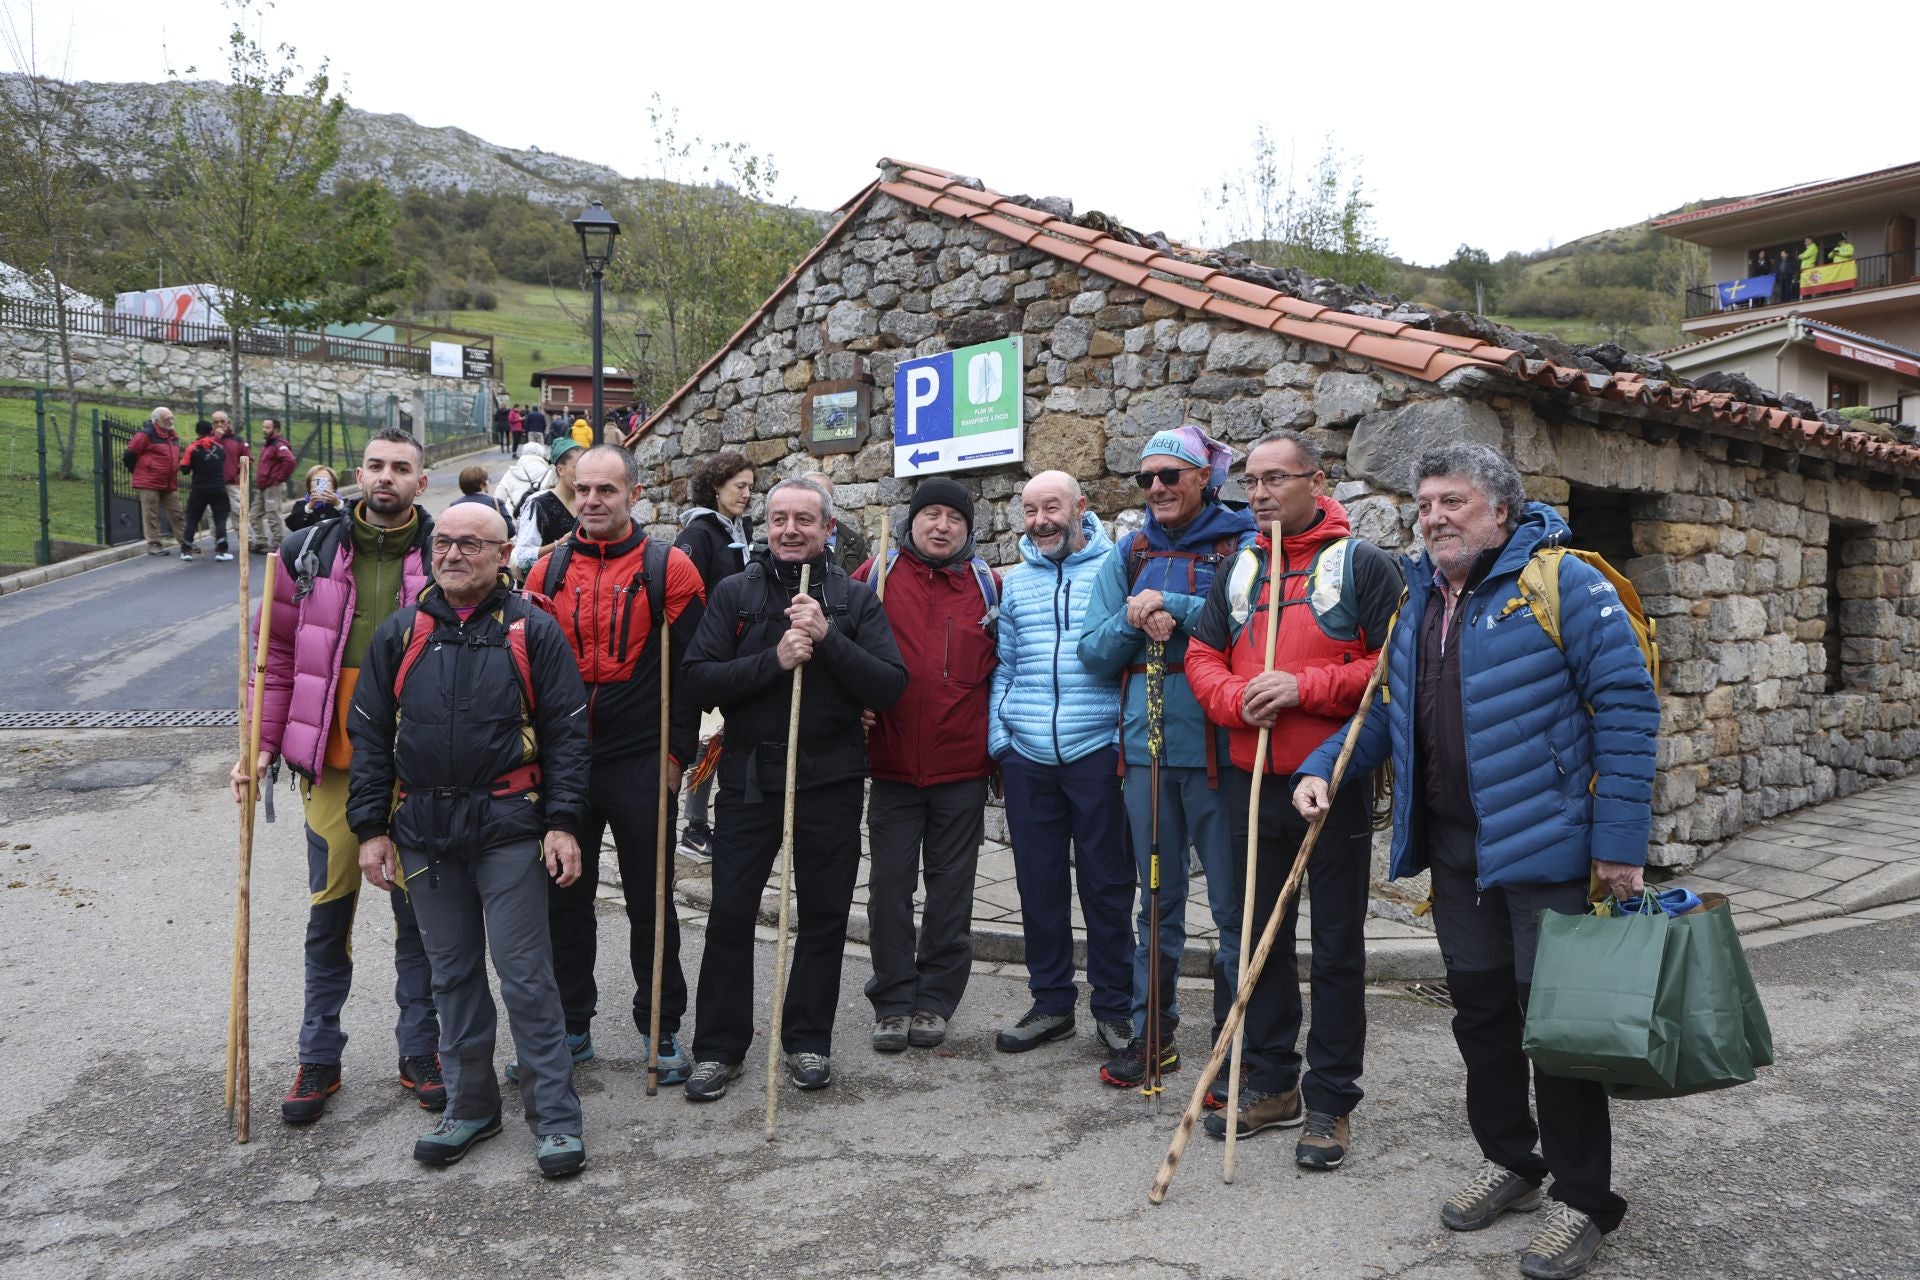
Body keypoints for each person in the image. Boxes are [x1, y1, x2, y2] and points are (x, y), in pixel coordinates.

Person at [1293, 441, 1658, 1280]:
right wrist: (1322, 769)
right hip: (1458, 854)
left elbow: (1628, 710)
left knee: (1558, 1034)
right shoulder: (1420, 594)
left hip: (1550, 852)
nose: (1434, 518)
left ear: (1501, 509)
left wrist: (1618, 848)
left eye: (1452, 501)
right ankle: (1513, 1162)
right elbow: (1387, 709)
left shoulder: (1565, 583)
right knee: (1482, 1020)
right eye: (1425, 505)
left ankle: (1582, 1200)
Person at [346, 500, 593, 1178]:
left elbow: (570, 735)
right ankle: (471, 1105)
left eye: (471, 545)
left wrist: (563, 823)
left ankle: (556, 1120)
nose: (453, 554)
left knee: (527, 979)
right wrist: (371, 829)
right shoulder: (401, 634)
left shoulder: (532, 633)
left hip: (510, 827)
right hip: (424, 833)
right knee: (451, 976)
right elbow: (368, 736)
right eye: (444, 542)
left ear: (504, 552)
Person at [1184, 430, 1402, 1169]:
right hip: (1252, 779)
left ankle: (1332, 1101)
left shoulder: (1363, 564)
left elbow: (1388, 668)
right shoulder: (1241, 566)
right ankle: (1273, 1085)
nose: (1261, 494)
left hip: (1329, 783)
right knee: (1255, 940)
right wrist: (1234, 699)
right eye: (1251, 482)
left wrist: (1304, 686)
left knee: (1337, 949)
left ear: (1317, 480)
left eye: (1276, 479)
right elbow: (1202, 654)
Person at [230, 427, 443, 1127]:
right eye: (377, 466)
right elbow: (277, 659)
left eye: (401, 469)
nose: (387, 478)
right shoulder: (306, 553)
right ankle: (318, 1057)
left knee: (419, 920)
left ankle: (421, 1053)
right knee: (330, 915)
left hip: (420, 772)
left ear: (422, 482)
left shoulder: (448, 554)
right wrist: (259, 747)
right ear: (360, 473)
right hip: (332, 771)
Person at [680, 479, 907, 1098]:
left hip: (830, 779)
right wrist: (774, 660)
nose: (789, 530)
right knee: (729, 912)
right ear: (766, 526)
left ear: (827, 528)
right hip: (751, 779)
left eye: (804, 519)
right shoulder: (735, 593)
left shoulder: (854, 598)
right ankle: (719, 1048)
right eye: (779, 518)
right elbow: (698, 679)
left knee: (826, 915)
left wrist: (829, 640)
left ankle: (807, 1040)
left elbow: (888, 686)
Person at [1078, 425, 1256, 1095]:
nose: (1156, 488)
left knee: (1235, 907)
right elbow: (1093, 651)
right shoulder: (1129, 552)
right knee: (1156, 904)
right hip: (1146, 755)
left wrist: (1172, 608)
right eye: (1146, 478)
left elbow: (1247, 631)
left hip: (1223, 755)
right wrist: (1134, 619)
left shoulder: (1242, 545)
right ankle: (1154, 1035)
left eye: (1170, 476)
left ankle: (1234, 1046)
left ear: (1203, 478)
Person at [521, 445, 707, 1086]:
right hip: (563, 761)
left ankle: (660, 1028)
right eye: (582, 490)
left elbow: (689, 678)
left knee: (649, 901)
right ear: (569, 493)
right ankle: (571, 1028)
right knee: (562, 899)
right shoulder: (545, 572)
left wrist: (675, 755)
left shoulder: (671, 569)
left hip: (640, 758)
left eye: (607, 490)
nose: (593, 501)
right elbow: (526, 674)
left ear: (633, 493)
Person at [851, 477, 999, 1052]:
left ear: (967, 529)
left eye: (953, 518)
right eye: (931, 515)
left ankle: (935, 998)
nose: (941, 526)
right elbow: (842, 653)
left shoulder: (987, 587)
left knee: (952, 889)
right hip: (889, 766)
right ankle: (892, 998)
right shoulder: (877, 580)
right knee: (888, 886)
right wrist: (850, 710)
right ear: (911, 522)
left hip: (961, 768)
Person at [989, 470, 1134, 1056]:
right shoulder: (1015, 583)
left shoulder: (1117, 569)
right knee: (1037, 884)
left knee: (1107, 885)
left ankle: (1115, 1008)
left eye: (1052, 507)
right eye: (1029, 510)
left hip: (1097, 751)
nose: (1041, 520)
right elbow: (1005, 663)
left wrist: (1123, 740)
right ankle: (1051, 1003)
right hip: (1027, 756)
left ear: (1080, 507)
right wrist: (1001, 737)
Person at [673, 450, 756, 861]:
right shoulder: (699, 534)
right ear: (716, 487)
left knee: (727, 739)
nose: (746, 494)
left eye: (750, 488)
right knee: (706, 742)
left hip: (738, 653)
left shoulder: (741, 530)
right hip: (708, 654)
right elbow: (686, 599)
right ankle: (694, 826)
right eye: (739, 486)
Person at [508, 438, 582, 579]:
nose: (584, 474)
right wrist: (559, 543)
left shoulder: (587, 502)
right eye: (577, 468)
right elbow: (522, 557)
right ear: (560, 469)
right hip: (545, 585)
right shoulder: (538, 504)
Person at [125, 406, 186, 555]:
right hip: (149, 481)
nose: (171, 421)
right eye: (167, 419)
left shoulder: (173, 436)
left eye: (172, 418)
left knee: (177, 512)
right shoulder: (146, 434)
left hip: (169, 481)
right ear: (157, 421)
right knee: (151, 514)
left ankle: (186, 541)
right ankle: (154, 544)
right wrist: (142, 472)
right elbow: (129, 455)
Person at [179, 419, 233, 562]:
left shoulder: (192, 448)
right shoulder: (220, 448)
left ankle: (186, 551)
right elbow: (222, 462)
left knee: (192, 519)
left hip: (199, 489)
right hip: (218, 488)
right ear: (211, 431)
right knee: (220, 519)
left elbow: (184, 469)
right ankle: (221, 551)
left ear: (197, 432)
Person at [807, 471, 870, 575]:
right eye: (811, 496)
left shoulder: (854, 542)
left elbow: (862, 583)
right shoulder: (789, 538)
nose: (818, 503)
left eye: (825, 497)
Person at [249, 418, 297, 553]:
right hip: (263, 486)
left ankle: (277, 543)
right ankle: (260, 540)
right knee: (254, 515)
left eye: (267, 428)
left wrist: (279, 478)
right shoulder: (268, 444)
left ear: (276, 429)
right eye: (264, 427)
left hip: (272, 486)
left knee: (272, 515)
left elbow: (290, 461)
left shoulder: (278, 444)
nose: (264, 430)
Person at [494, 441, 552, 518]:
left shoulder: (510, 473)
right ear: (542, 454)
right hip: (542, 521)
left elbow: (498, 500)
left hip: (516, 520)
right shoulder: (549, 474)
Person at [214, 411, 251, 527]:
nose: (219, 424)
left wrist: (239, 473)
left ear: (228, 423)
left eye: (222, 421)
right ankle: (218, 542)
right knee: (214, 514)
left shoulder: (237, 440)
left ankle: (247, 540)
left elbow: (248, 459)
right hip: (214, 484)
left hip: (232, 483)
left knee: (239, 512)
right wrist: (217, 439)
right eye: (216, 422)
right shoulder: (209, 440)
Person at [286, 465, 346, 532]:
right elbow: (293, 526)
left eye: (326, 481)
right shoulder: (301, 505)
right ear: (309, 485)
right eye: (316, 480)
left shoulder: (344, 503)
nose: (321, 485)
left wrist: (338, 504)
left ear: (334, 485)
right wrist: (309, 506)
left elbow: (352, 523)